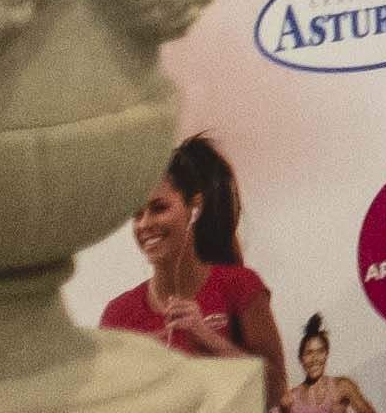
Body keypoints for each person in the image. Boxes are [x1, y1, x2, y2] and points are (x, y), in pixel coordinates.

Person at [103, 138, 282, 373]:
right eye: (137, 214)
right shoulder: (118, 315)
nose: (145, 223)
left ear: (194, 209)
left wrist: (207, 338)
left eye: (159, 208)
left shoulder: (241, 286)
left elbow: (277, 391)